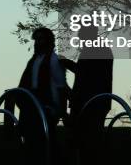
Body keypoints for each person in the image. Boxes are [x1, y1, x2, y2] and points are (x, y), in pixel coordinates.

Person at [60, 25, 113, 164]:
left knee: (87, 145)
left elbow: (86, 75)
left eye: (81, 36)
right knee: (88, 144)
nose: (80, 39)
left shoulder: (96, 50)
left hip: (90, 104)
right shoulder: (99, 49)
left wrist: (67, 63)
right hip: (94, 103)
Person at [18, 27, 68, 164]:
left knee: (46, 144)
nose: (37, 43)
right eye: (36, 40)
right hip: (32, 107)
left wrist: (60, 111)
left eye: (41, 39)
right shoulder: (33, 61)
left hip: (47, 108)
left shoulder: (53, 60)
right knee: (32, 144)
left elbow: (61, 87)